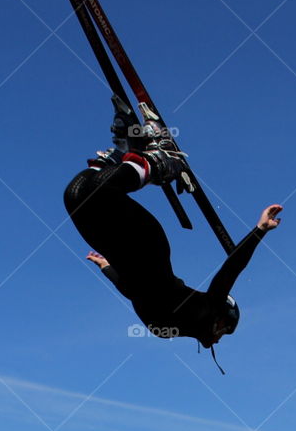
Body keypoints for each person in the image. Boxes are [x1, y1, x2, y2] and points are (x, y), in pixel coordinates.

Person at [63, 107, 282, 370]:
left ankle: (124, 153)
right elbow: (229, 270)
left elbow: (131, 289)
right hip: (145, 245)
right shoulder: (194, 314)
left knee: (75, 195)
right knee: (97, 192)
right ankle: (159, 161)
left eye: (223, 333)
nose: (220, 335)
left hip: (121, 249)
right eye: (224, 330)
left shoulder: (182, 322)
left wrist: (106, 268)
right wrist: (259, 230)